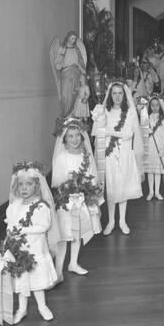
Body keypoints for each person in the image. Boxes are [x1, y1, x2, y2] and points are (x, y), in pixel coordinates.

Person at [5, 163, 59, 323]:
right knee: (22, 280)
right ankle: (22, 309)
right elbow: (11, 223)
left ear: (36, 185)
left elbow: (44, 226)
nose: (24, 188)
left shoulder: (40, 206)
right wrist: (10, 232)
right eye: (21, 184)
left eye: (28, 184)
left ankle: (42, 306)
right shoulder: (14, 206)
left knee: (37, 280)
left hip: (35, 249)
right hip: (19, 250)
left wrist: (23, 229)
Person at [51, 119, 103, 281]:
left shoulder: (86, 156)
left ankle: (73, 263)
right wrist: (69, 184)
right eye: (70, 136)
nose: (74, 139)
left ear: (82, 136)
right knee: (65, 235)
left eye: (77, 136)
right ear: (64, 139)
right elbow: (57, 181)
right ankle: (58, 271)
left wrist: (92, 191)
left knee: (77, 233)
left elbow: (92, 175)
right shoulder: (62, 157)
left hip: (82, 200)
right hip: (66, 202)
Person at [91, 82, 143, 235]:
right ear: (110, 95)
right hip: (110, 153)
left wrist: (110, 132)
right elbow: (98, 132)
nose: (117, 96)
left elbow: (129, 134)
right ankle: (111, 221)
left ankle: (122, 220)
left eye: (120, 93)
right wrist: (100, 121)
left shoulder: (131, 112)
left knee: (123, 185)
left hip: (125, 152)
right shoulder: (105, 112)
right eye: (114, 93)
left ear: (124, 95)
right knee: (112, 186)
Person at [53, 31, 87, 118]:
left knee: (75, 96)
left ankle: (73, 117)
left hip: (76, 75)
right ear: (68, 38)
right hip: (66, 75)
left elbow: (80, 63)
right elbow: (57, 64)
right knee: (65, 96)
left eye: (75, 39)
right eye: (72, 38)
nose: (73, 40)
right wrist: (62, 55)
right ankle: (65, 116)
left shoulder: (76, 49)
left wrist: (82, 71)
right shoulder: (62, 49)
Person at [144, 96, 164, 200]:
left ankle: (157, 192)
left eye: (157, 105)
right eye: (152, 105)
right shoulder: (146, 117)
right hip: (150, 146)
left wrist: (162, 149)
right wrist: (147, 131)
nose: (155, 107)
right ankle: (151, 192)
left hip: (160, 146)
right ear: (150, 106)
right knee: (150, 171)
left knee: (158, 171)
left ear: (160, 106)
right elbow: (142, 131)